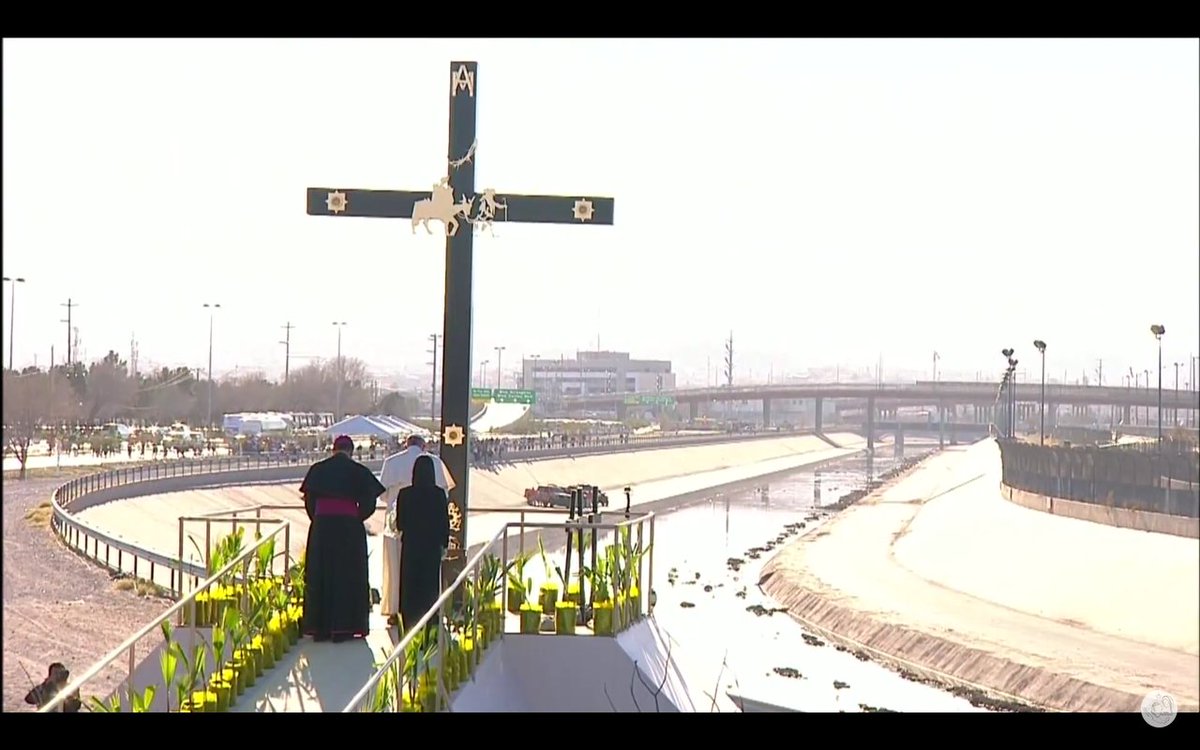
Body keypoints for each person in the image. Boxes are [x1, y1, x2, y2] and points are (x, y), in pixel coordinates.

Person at [299, 434, 386, 642]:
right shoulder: (359, 472)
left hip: (322, 529)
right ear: (351, 451)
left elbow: (310, 501)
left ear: (333, 449)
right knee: (348, 575)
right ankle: (346, 627)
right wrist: (355, 518)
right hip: (349, 529)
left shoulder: (318, 470)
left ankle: (320, 628)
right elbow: (369, 503)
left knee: (322, 573)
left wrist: (320, 519)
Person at [396, 455, 451, 633]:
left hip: (411, 545)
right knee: (430, 584)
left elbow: (400, 523)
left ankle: (409, 621)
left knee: (410, 584)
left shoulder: (404, 494)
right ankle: (431, 622)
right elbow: (444, 522)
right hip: (431, 546)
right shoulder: (438, 494)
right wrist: (444, 543)